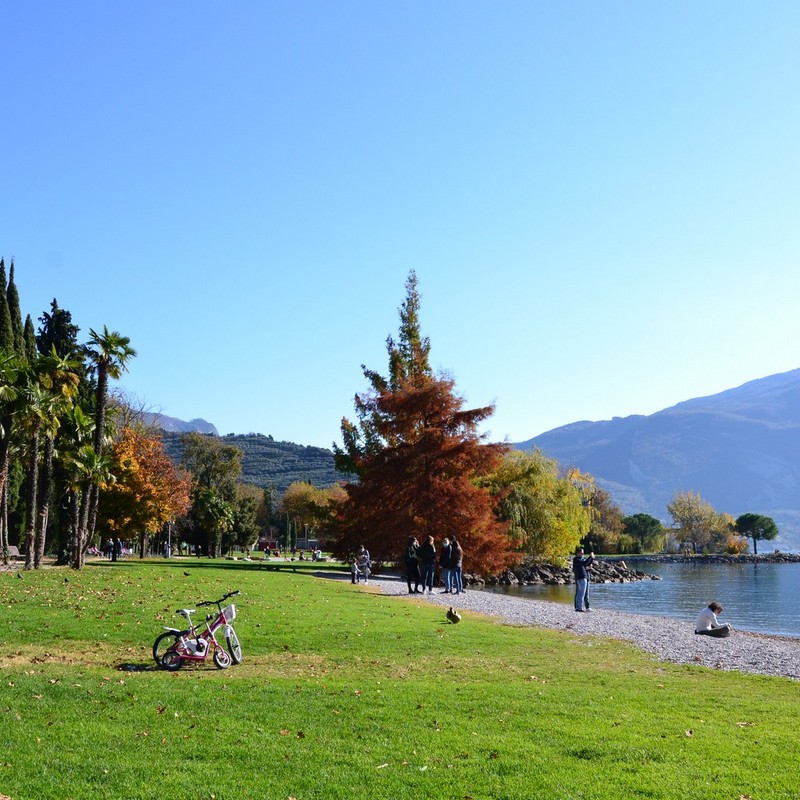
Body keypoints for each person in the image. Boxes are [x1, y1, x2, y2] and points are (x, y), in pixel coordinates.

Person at [572, 546, 594, 612]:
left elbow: (587, 563)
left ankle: (581, 607)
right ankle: (578, 607)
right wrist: (590, 557)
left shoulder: (581, 559)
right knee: (580, 594)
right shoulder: (576, 560)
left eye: (583, 553)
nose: (582, 554)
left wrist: (591, 558)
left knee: (583, 593)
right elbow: (584, 563)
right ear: (577, 553)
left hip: (584, 577)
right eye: (581, 553)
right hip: (581, 578)